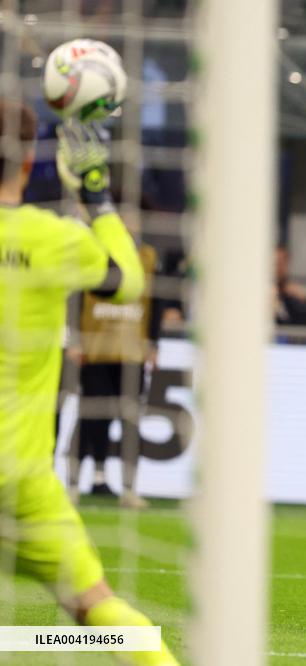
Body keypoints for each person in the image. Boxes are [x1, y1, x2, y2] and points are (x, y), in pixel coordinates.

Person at [0, 101, 178, 664]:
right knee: (95, 614)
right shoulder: (51, 237)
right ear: (29, 161)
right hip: (21, 484)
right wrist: (95, 196)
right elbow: (127, 282)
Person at [66, 241, 160, 509]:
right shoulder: (91, 252)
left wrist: (154, 342)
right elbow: (75, 295)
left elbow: (157, 300)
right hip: (96, 350)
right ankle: (73, 484)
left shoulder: (147, 257)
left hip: (132, 353)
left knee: (130, 422)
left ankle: (129, 489)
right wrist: (75, 337)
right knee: (91, 419)